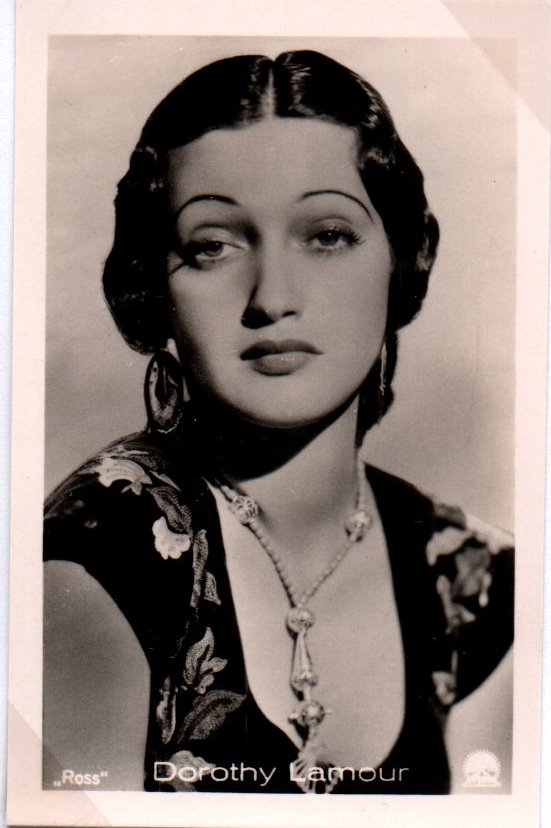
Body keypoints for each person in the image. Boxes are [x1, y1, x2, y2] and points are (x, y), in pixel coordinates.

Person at [43, 50, 514, 795]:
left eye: (326, 235)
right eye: (212, 245)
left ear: (401, 260)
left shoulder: (476, 581)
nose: (272, 298)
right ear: (153, 287)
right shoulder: (96, 557)